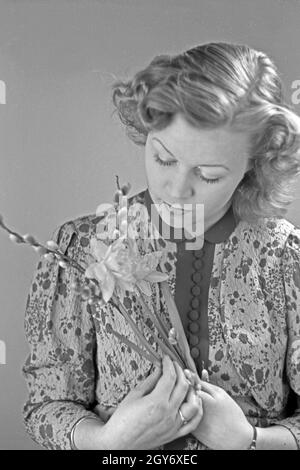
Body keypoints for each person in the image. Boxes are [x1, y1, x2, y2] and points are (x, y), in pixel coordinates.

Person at [22, 42, 300, 450]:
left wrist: (250, 440)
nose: (175, 188)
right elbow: (47, 404)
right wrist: (106, 442)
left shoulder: (286, 258)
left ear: (254, 166)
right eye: (164, 159)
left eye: (207, 175)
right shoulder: (79, 250)